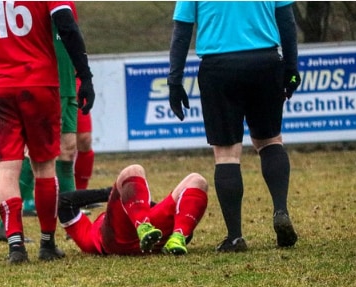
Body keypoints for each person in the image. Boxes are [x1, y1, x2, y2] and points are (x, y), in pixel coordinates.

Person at [0, 1, 95, 264]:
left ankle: (15, 244)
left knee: (7, 170)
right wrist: (85, 76)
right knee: (45, 168)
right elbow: (67, 26)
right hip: (40, 84)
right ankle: (48, 243)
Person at [167, 1, 300, 252]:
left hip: (219, 69)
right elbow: (287, 22)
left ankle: (235, 237)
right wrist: (291, 68)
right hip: (266, 62)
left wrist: (174, 81)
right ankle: (280, 209)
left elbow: (182, 31)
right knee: (270, 141)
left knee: (226, 154)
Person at [59, 164, 208, 256]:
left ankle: (176, 239)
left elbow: (64, 202)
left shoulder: (88, 235)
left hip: (145, 232)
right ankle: (178, 234)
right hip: (124, 239)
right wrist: (111, 192)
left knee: (197, 180)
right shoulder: (91, 240)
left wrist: (112, 193)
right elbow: (63, 201)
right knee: (133, 170)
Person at [74, 76, 96, 191]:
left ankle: (80, 192)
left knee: (84, 140)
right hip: (45, 78)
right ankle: (27, 196)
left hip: (75, 80)